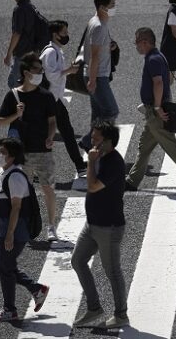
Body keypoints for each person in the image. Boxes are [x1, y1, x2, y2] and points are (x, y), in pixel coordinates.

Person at [71, 121, 129, 329]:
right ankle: (94, 307)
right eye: (92, 137)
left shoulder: (113, 162)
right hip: (92, 224)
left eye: (96, 139)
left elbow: (93, 186)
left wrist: (89, 162)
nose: (92, 141)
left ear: (108, 142)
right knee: (78, 261)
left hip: (109, 227)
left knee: (112, 271)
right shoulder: (100, 154)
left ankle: (121, 315)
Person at [0, 53, 59, 241]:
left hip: (42, 151)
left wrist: (50, 137)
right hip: (21, 153)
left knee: (48, 188)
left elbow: (52, 121)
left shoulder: (45, 96)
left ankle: (51, 226)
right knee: (22, 192)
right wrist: (16, 115)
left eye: (41, 70)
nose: (41, 73)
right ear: (26, 72)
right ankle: (24, 226)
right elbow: (0, 122)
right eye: (37, 70)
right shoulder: (13, 95)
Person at [0, 138, 49, 321]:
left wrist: (10, 235)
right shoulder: (7, 173)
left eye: (3, 152)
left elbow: (16, 207)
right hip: (7, 229)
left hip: (14, 231)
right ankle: (36, 289)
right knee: (2, 266)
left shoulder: (15, 176)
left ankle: (10, 309)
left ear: (12, 156)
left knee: (4, 268)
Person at [125, 28, 176, 192]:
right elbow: (168, 79)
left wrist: (158, 107)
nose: (136, 46)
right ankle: (132, 181)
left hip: (156, 111)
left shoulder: (152, 59)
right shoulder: (159, 56)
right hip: (155, 110)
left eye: (136, 42)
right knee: (144, 146)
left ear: (144, 42)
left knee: (172, 147)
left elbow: (159, 83)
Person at [39, 20, 87, 186]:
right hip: (49, 101)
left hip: (55, 100)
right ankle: (34, 169)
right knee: (47, 135)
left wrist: (69, 70)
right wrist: (69, 70)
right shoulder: (50, 52)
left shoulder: (57, 50)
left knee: (67, 133)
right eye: (64, 33)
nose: (67, 35)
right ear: (55, 34)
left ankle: (80, 166)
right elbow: (52, 75)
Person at [79, 0, 119, 152]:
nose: (114, 7)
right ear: (102, 7)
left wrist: (110, 46)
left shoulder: (95, 21)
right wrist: (93, 80)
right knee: (111, 111)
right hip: (97, 75)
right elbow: (94, 55)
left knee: (97, 114)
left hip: (93, 74)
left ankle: (92, 143)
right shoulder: (99, 27)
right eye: (112, 5)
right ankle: (89, 140)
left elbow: (95, 48)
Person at [4, 0, 37, 88]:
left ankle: (21, 104)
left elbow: (17, 34)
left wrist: (9, 54)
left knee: (14, 84)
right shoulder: (30, 6)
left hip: (22, 53)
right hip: (31, 51)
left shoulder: (19, 9)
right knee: (24, 82)